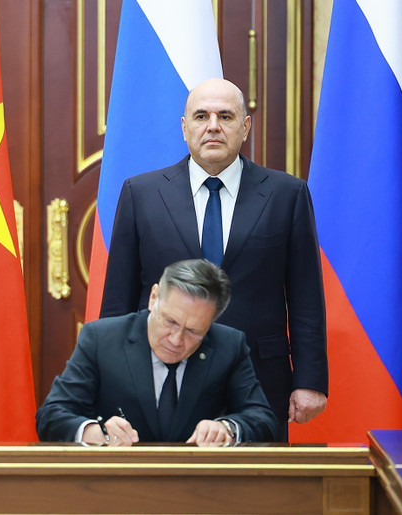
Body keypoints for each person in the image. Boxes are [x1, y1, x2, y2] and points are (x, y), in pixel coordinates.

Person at [99, 78, 327, 439]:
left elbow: (306, 298)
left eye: (226, 116)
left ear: (245, 126)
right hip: (158, 377)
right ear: (184, 127)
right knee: (162, 491)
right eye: (201, 116)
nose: (213, 126)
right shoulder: (140, 194)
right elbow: (118, 299)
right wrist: (108, 379)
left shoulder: (287, 195)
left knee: (259, 491)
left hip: (258, 380)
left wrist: (310, 380)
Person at [37, 259, 277, 445]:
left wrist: (227, 428)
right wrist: (95, 432)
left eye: (193, 332)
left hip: (200, 489)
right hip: (116, 486)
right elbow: (52, 416)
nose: (175, 340)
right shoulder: (101, 339)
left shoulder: (229, 345)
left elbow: (263, 419)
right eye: (170, 322)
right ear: (153, 298)